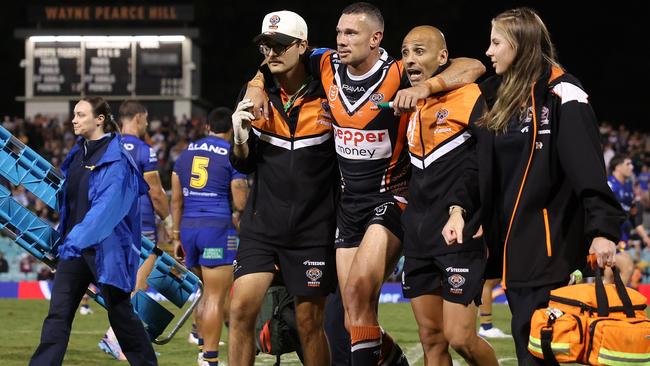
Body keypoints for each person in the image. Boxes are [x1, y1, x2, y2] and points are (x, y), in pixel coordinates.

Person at [244, 4, 485, 365]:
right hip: (349, 205)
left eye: (351, 34)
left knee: (357, 289)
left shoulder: (401, 71)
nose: (341, 40)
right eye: (339, 33)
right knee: (353, 314)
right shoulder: (325, 64)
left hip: (393, 198)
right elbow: (277, 56)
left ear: (375, 39)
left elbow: (475, 67)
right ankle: (393, 360)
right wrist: (256, 85)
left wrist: (426, 89)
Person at [442, 8, 625, 365]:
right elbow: (476, 164)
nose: (489, 51)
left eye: (496, 42)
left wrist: (603, 230)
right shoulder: (495, 95)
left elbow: (588, 168)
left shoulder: (562, 93)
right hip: (514, 249)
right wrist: (459, 208)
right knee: (531, 346)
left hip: (551, 248)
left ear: (521, 45)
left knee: (551, 351)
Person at [228, 10, 339, 366]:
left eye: (279, 45)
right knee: (241, 311)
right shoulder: (255, 95)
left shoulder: (331, 94)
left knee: (309, 323)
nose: (271, 53)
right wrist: (240, 139)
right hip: (262, 227)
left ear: (302, 46)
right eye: (265, 46)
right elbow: (243, 162)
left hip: (313, 229)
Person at [29, 96, 157, 366]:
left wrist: (72, 242)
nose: (74, 119)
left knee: (121, 316)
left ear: (99, 119)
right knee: (58, 314)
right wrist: (64, 242)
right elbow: (71, 206)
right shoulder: (77, 155)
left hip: (105, 250)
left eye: (80, 114)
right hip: (75, 250)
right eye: (74, 114)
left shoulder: (118, 158)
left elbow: (105, 210)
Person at [399, 25, 498, 366]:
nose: (410, 59)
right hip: (418, 235)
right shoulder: (410, 104)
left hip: (459, 231)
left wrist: (476, 213)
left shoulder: (470, 95)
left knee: (461, 338)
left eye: (419, 51)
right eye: (405, 53)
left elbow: (484, 164)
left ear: (443, 57)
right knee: (432, 340)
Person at [172, 107, 249, 366]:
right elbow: (239, 199)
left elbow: (177, 200)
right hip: (215, 227)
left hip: (188, 228)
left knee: (206, 293)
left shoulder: (185, 154)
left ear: (207, 127)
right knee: (217, 295)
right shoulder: (231, 152)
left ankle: (203, 347)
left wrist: (175, 235)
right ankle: (210, 358)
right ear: (230, 130)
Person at [97, 100, 173, 361]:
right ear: (138, 117)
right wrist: (170, 220)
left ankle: (118, 337)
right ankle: (115, 337)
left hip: (112, 223)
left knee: (127, 281)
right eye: (146, 118)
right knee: (140, 280)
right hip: (140, 224)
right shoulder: (144, 150)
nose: (147, 123)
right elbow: (155, 192)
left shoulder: (108, 146)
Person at [606, 154, 643, 285]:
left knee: (610, 274)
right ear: (618, 166)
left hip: (623, 239)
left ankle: (604, 303)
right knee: (627, 267)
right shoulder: (608, 186)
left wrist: (646, 239)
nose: (632, 167)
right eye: (628, 164)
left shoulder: (628, 189)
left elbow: (634, 217)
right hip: (609, 239)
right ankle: (616, 303)